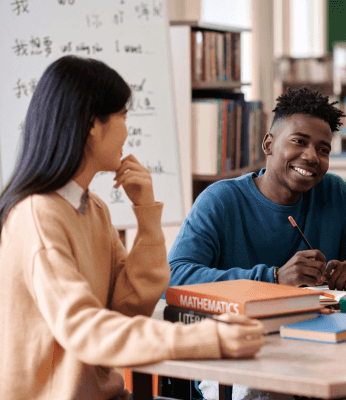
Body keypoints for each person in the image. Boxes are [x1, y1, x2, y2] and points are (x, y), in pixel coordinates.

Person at [0, 55, 263, 400]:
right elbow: (85, 330)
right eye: (123, 116)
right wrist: (208, 337)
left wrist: (146, 214)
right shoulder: (38, 216)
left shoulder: (91, 207)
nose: (128, 130)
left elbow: (127, 306)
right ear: (94, 123)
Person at [168, 87, 346, 292]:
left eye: (323, 149)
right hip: (240, 334)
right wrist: (274, 278)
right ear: (268, 144)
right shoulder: (220, 200)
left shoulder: (334, 193)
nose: (311, 156)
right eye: (299, 141)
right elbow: (175, 277)